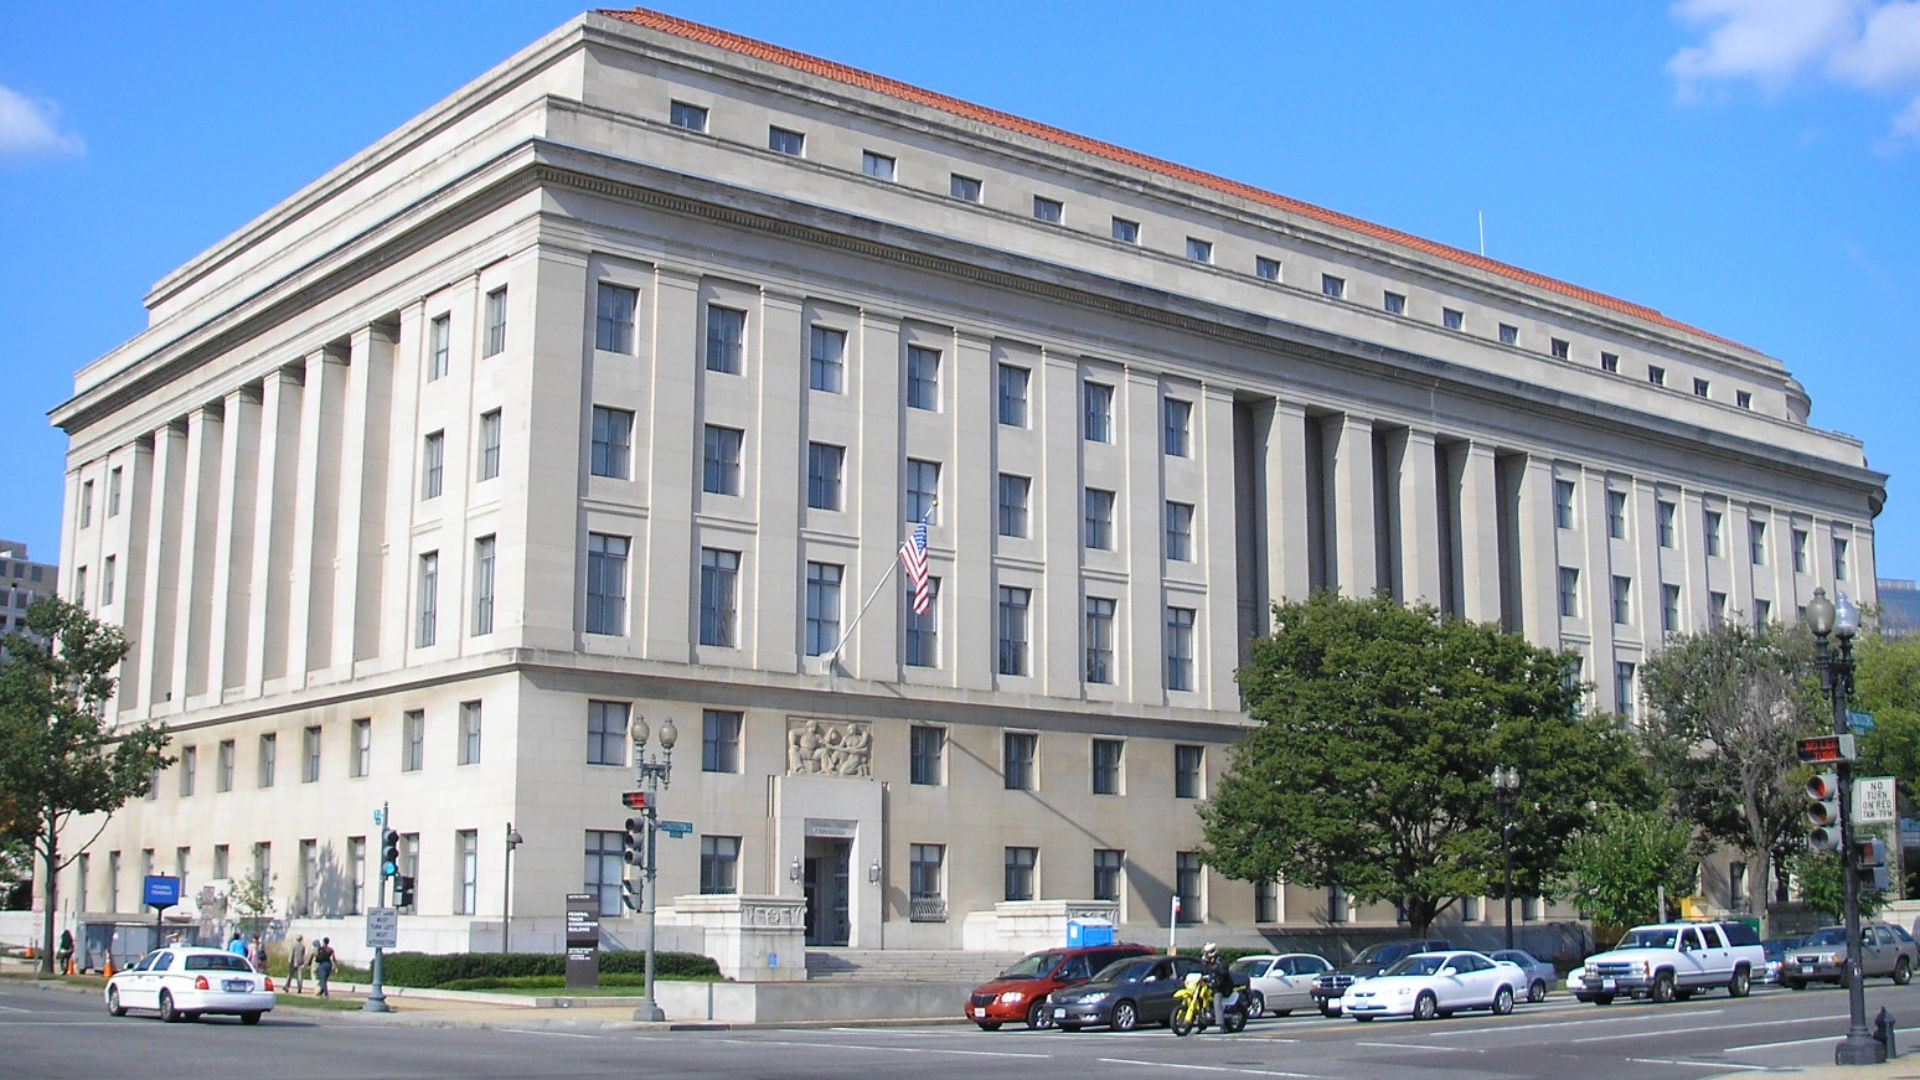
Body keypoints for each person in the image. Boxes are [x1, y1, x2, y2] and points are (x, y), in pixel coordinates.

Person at [1200, 942, 1234, 1031]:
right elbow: (1202, 972)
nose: (1205, 955)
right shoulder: (1205, 962)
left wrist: (1214, 976)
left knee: (1217, 1001)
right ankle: (1201, 1023)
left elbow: (1223, 973)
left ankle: (1221, 1025)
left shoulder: (1220, 961)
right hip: (1211, 985)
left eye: (1207, 952)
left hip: (1222, 987)